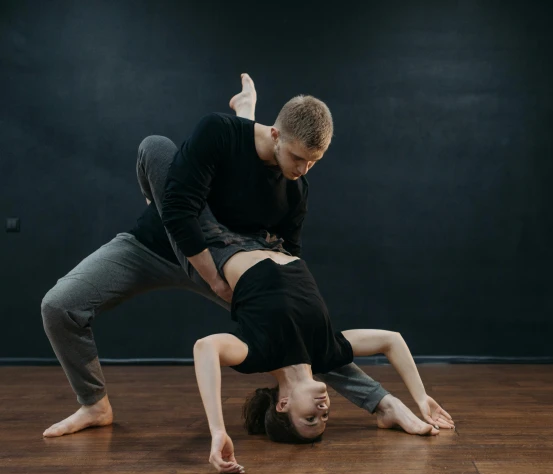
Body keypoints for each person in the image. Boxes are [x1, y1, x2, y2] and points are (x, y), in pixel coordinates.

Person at [41, 74, 452, 438]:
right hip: (156, 243)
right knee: (60, 305)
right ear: (275, 135)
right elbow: (182, 213)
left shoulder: (294, 188)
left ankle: (383, 405)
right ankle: (94, 404)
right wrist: (214, 279)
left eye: (314, 162)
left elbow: (290, 256)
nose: (304, 169)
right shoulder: (218, 133)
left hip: (231, 260)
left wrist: (276, 296)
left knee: (294, 336)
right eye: (298, 158)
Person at [192, 247, 453, 474]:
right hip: (273, 235)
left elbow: (205, 347)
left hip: (222, 241)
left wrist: (218, 430)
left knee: (168, 206)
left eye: (310, 419)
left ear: (283, 404)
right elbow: (391, 340)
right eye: (326, 416)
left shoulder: (257, 356)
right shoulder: (326, 353)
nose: (322, 411)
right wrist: (421, 398)